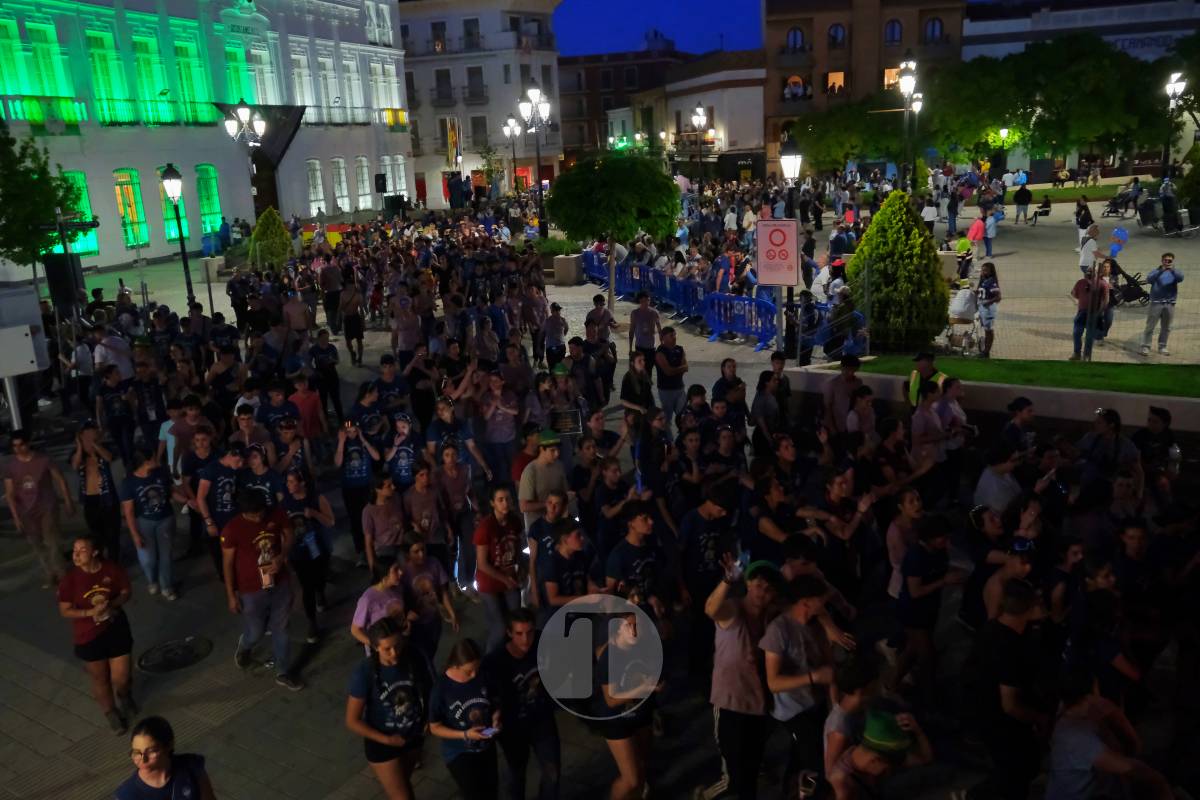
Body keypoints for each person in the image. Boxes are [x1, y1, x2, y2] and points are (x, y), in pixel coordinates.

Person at [699, 558, 782, 800]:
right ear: (748, 584)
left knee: (750, 771)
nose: (762, 592)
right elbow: (711, 609)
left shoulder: (770, 617)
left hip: (757, 706)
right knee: (738, 775)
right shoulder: (734, 610)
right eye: (758, 585)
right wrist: (727, 580)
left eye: (768, 589)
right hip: (730, 705)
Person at [964, 579, 1048, 800]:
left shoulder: (992, 627)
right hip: (1000, 722)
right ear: (1028, 609)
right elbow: (1009, 705)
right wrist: (1039, 718)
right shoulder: (1010, 648)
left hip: (981, 710)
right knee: (1016, 773)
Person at [220, 487, 304, 691]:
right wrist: (231, 595)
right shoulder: (232, 529)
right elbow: (228, 564)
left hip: (279, 582)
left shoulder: (277, 514)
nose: (258, 518)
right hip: (251, 590)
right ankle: (246, 644)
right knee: (256, 632)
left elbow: (289, 534)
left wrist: (282, 556)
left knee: (281, 629)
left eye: (260, 513)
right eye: (252, 515)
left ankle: (283, 672)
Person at [1045, 668, 1174, 800]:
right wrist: (1160, 783)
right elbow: (1132, 768)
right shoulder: (1078, 739)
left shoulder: (1066, 708)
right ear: (1089, 695)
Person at [760, 574, 835, 789]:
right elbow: (773, 682)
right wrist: (812, 677)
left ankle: (791, 789)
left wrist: (833, 703)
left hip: (816, 703)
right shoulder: (778, 630)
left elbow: (829, 665)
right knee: (814, 762)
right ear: (806, 602)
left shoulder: (816, 624)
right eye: (821, 600)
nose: (825, 604)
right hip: (793, 710)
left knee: (802, 756)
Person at [345, 618, 432, 800]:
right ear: (376, 647)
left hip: (413, 736)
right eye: (387, 649)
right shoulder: (365, 672)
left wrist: (428, 720)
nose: (394, 653)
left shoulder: (414, 656)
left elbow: (429, 690)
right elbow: (352, 721)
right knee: (403, 796)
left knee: (403, 785)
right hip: (382, 743)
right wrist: (388, 740)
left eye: (397, 645)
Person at [58, 534, 135, 732]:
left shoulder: (111, 569)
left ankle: (124, 694)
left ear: (95, 552)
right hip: (88, 635)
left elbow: (126, 591)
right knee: (100, 678)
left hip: (115, 628)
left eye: (82, 550)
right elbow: (65, 609)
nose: (76, 555)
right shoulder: (70, 580)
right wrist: (89, 612)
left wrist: (112, 604)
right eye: (74, 551)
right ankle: (111, 713)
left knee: (122, 678)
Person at [485, 607, 561, 800]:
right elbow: (487, 695)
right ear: (509, 633)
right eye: (519, 634)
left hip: (541, 719)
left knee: (552, 771)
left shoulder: (542, 642)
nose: (525, 640)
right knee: (516, 776)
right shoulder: (496, 661)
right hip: (513, 728)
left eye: (529, 632)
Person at [429, 638, 501, 800]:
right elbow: (434, 727)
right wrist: (465, 734)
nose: (474, 674)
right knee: (473, 794)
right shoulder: (441, 689)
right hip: (459, 752)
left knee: (491, 792)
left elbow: (495, 703)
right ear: (455, 665)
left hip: (486, 747)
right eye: (468, 671)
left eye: (476, 669)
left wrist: (496, 719)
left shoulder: (483, 675)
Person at [4, 428, 74, 586]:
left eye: (21, 445)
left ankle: (61, 573)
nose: (18, 449)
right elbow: (9, 493)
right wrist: (15, 517)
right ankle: (49, 572)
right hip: (26, 512)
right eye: (14, 446)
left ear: (28, 443)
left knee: (52, 542)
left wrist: (68, 501)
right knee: (36, 544)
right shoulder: (11, 466)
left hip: (47, 506)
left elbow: (60, 479)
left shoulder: (43, 460)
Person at [827, 708, 933, 800]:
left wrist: (918, 731)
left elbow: (925, 759)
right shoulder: (842, 787)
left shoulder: (866, 754)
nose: (888, 769)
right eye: (887, 766)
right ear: (874, 760)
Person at [282, 469, 334, 642]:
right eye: (287, 482)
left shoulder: (316, 498)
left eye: (292, 481)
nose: (289, 485)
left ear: (302, 483)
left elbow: (330, 521)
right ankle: (312, 622)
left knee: (319, 578)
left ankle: (321, 592)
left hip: (318, 548)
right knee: (307, 587)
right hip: (298, 552)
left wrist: (315, 514)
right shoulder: (286, 502)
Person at [119, 449, 178, 600]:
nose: (157, 458)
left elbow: (171, 492)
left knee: (166, 556)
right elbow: (129, 512)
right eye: (153, 456)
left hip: (165, 519)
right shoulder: (129, 483)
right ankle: (152, 580)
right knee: (148, 559)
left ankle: (167, 586)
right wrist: (135, 535)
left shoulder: (161, 473)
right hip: (144, 523)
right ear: (145, 462)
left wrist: (187, 499)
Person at [115, 716, 216, 800]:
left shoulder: (191, 766)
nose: (143, 759)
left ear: (169, 746)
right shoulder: (127, 794)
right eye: (136, 752)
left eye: (151, 751)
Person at [474, 485, 524, 651]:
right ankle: (490, 659)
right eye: (500, 500)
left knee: (516, 617)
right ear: (492, 503)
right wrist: (505, 579)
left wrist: (520, 570)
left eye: (508, 499)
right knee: (499, 626)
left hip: (509, 576)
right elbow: (482, 563)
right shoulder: (486, 527)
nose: (505, 503)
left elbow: (517, 548)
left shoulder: (515, 521)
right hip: (489, 582)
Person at [1140, 252, 1183, 356]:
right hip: (1156, 303)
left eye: (1170, 261)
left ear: (1172, 261)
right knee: (1150, 326)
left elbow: (1181, 278)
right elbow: (1149, 279)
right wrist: (1161, 271)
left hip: (1170, 304)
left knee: (1166, 327)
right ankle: (1145, 346)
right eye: (1165, 260)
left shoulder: (1175, 272)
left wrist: (1172, 270)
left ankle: (1162, 347)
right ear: (1162, 260)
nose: (1167, 262)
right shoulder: (1156, 271)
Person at [654, 327, 688, 433]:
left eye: (674, 335)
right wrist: (679, 369)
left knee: (683, 417)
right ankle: (667, 441)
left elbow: (686, 367)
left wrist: (674, 370)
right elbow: (668, 371)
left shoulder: (679, 349)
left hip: (679, 388)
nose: (674, 338)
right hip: (666, 390)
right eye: (671, 336)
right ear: (663, 338)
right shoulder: (660, 352)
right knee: (666, 419)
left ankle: (684, 437)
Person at [1070, 267, 1108, 362]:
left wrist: (1099, 312)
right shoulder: (1081, 282)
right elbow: (1074, 293)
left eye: (1091, 271)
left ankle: (1086, 354)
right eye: (1088, 271)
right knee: (1077, 333)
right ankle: (1077, 353)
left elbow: (1106, 300)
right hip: (1082, 312)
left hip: (1093, 312)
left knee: (1088, 335)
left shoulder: (1102, 284)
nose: (1089, 273)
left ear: (1096, 273)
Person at [976, 261, 1001, 358]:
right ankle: (984, 350)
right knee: (985, 330)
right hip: (982, 307)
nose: (983, 272)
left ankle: (986, 352)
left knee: (988, 330)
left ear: (991, 272)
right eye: (982, 270)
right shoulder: (983, 280)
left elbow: (998, 297)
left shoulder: (992, 282)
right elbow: (981, 292)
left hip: (988, 308)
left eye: (985, 270)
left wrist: (987, 302)